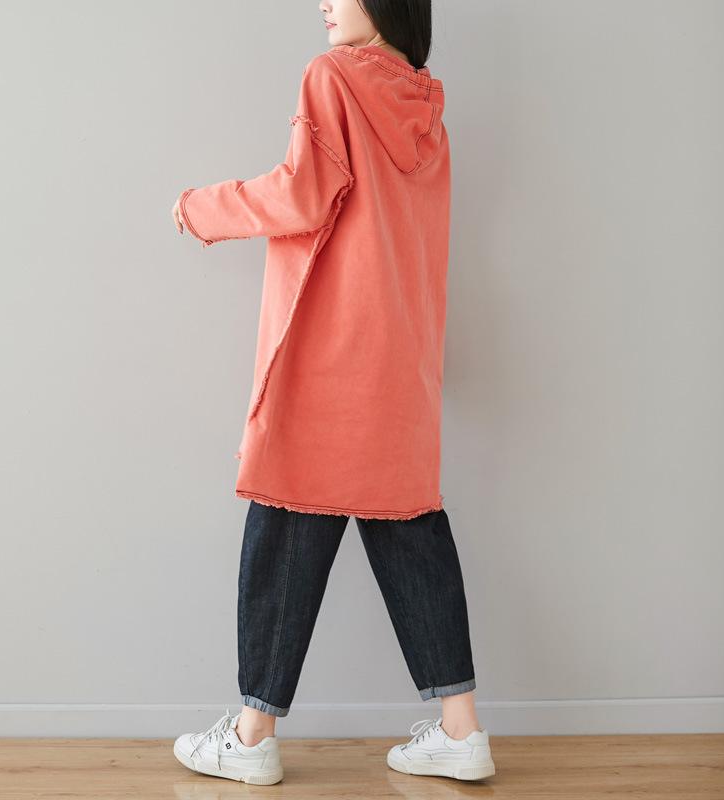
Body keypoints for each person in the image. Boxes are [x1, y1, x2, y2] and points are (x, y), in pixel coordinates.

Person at [170, 0, 495, 785]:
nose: (322, 1)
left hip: (333, 350)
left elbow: (301, 194)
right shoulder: (425, 104)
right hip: (402, 358)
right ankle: (462, 732)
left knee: (286, 520)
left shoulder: (334, 77)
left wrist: (199, 207)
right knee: (409, 527)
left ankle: (251, 737)